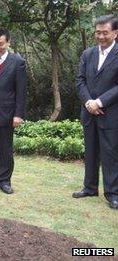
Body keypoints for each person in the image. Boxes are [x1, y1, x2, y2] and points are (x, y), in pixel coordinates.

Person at [73, 15, 118, 210]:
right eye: (97, 32)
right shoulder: (88, 54)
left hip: (111, 113)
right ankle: (89, 187)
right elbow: (80, 80)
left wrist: (100, 101)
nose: (100, 36)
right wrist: (89, 102)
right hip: (89, 112)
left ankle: (113, 193)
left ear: (115, 33)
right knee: (90, 152)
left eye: (105, 32)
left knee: (110, 154)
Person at [0, 28, 27, 194]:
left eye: (1, 44)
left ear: (8, 42)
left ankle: (4, 181)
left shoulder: (18, 62)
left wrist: (18, 114)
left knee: (6, 150)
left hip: (8, 114)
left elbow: (21, 91)